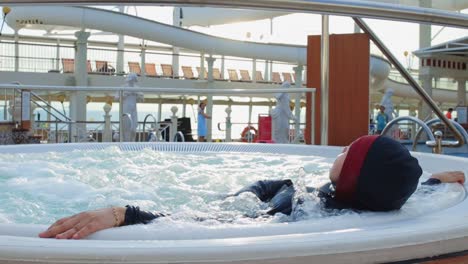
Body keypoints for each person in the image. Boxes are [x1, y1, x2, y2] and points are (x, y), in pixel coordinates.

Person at [38, 135, 465, 240]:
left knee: (249, 197)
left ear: (352, 175)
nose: (341, 147)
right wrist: (436, 178)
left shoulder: (296, 208)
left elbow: (206, 222)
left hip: (260, 197)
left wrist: (120, 214)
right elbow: (417, 188)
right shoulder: (369, 198)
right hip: (266, 188)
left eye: (350, 150)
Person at [114, 73, 144, 142]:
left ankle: (132, 143)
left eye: (133, 80)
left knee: (133, 129)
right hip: (125, 110)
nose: (131, 81)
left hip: (134, 110)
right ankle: (126, 144)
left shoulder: (137, 88)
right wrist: (124, 95)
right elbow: (116, 98)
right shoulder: (123, 87)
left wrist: (138, 95)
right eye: (131, 80)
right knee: (126, 129)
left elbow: (142, 99)